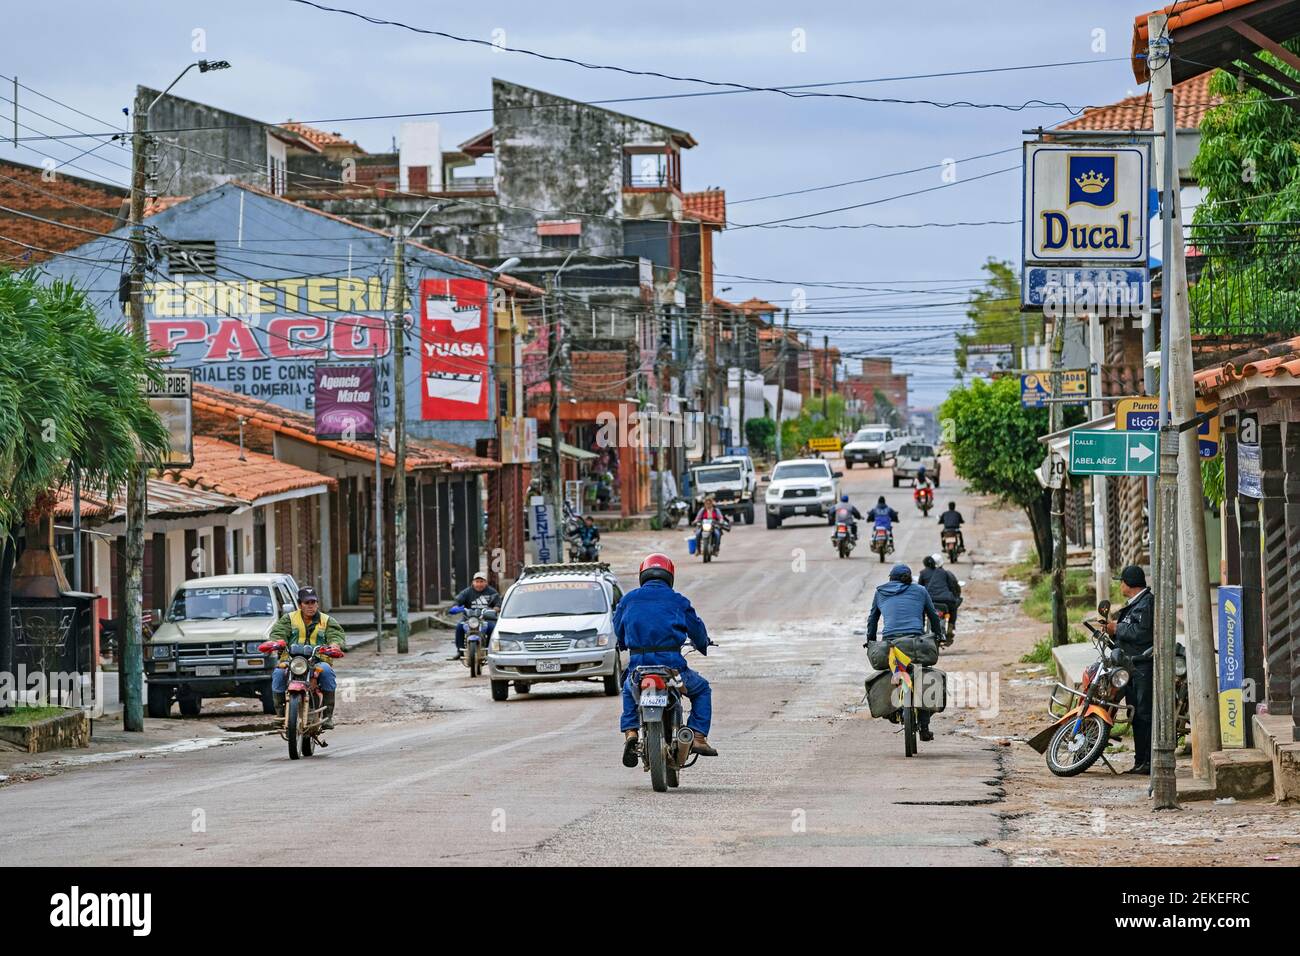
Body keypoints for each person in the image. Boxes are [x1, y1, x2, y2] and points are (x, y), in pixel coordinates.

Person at [615, 554, 716, 765]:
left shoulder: (628, 600)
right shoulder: (678, 600)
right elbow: (696, 628)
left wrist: (625, 642)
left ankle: (631, 733)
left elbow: (618, 629)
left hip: (639, 668)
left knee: (628, 689)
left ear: (643, 575)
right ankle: (697, 736)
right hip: (673, 670)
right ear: (669, 576)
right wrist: (702, 642)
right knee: (702, 690)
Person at [866, 564, 946, 741]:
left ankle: (894, 711)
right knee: (923, 677)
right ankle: (924, 727)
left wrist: (870, 640)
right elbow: (933, 615)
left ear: (890, 578)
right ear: (910, 577)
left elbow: (873, 619)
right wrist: (938, 635)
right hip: (916, 643)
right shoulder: (920, 590)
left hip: (891, 645)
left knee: (891, 673)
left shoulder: (880, 592)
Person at [267, 586, 347, 728]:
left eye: (313, 602)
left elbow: (336, 635)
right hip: (291, 661)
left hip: (318, 660)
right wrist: (276, 642)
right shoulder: (289, 619)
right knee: (278, 673)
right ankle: (280, 714)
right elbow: (278, 633)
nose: (310, 606)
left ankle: (328, 716)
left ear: (317, 603)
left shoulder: (327, 620)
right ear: (300, 605)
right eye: (306, 603)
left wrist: (335, 645)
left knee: (327, 672)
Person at [1107, 565, 1153, 774]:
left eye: (1121, 581)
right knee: (1136, 714)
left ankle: (1148, 762)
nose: (1119, 585)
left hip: (1142, 667)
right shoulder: (1135, 604)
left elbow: (1142, 633)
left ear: (1129, 584)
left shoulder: (1146, 603)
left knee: (1144, 714)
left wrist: (1117, 628)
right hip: (1130, 667)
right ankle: (1139, 761)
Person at [448, 571, 501, 661]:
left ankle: (489, 651)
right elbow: (458, 600)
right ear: (473, 582)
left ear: (486, 582)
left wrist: (495, 609)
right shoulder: (467, 592)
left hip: (486, 618)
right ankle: (460, 651)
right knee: (459, 627)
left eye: (481, 581)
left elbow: (498, 604)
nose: (479, 584)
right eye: (477, 581)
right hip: (470, 619)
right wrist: (456, 607)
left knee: (492, 628)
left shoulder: (492, 592)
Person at [919, 554, 962, 638]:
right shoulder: (944, 572)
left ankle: (921, 628)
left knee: (921, 610)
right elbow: (952, 587)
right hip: (945, 599)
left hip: (930, 599)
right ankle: (950, 626)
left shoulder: (923, 573)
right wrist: (954, 597)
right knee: (953, 608)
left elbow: (919, 588)